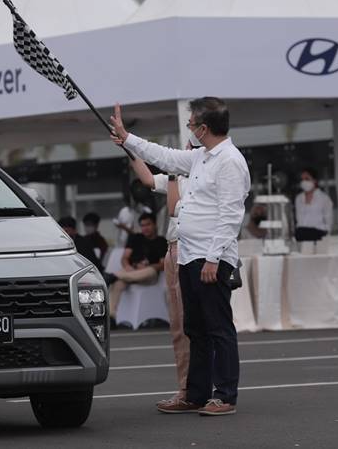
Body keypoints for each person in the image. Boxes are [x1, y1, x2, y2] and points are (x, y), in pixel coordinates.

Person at [111, 97, 250, 416]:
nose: (189, 129)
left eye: (191, 125)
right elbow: (165, 157)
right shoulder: (201, 157)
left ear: (203, 129)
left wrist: (214, 259)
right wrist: (128, 138)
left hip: (210, 257)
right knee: (196, 329)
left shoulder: (229, 160)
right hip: (189, 256)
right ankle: (196, 394)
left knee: (218, 327)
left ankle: (225, 395)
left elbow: (231, 215)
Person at [127, 155, 191, 406]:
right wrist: (127, 145)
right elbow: (146, 178)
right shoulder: (178, 177)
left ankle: (201, 388)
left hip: (189, 250)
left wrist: (174, 176)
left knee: (191, 324)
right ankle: (185, 389)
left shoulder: (199, 179)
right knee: (177, 326)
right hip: (171, 249)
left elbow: (174, 208)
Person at [107, 213, 168, 321]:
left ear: (155, 225)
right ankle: (111, 317)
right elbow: (124, 258)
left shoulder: (161, 241)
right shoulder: (136, 238)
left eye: (148, 224)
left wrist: (146, 266)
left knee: (149, 271)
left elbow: (162, 264)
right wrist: (128, 266)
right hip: (131, 272)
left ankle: (114, 275)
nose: (145, 228)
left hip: (149, 275)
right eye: (142, 225)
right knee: (118, 283)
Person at [294, 167, 333, 242]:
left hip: (318, 233)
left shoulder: (324, 198)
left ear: (315, 181)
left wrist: (326, 236)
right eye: (302, 179)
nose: (304, 182)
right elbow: (298, 218)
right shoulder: (298, 198)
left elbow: (328, 220)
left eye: (307, 179)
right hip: (301, 234)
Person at [113, 180, 153, 248]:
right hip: (123, 245)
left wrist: (125, 228)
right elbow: (116, 222)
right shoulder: (124, 211)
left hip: (141, 245)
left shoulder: (146, 211)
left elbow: (140, 232)